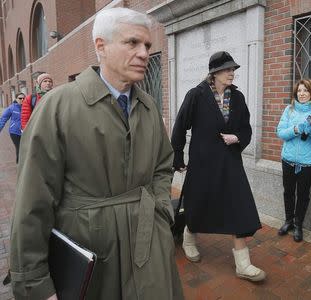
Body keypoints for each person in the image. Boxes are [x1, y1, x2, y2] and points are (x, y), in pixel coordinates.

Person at [9, 7, 183, 300]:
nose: (143, 53)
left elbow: (164, 166)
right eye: (132, 43)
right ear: (100, 46)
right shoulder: (57, 107)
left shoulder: (150, 107)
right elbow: (32, 202)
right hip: (91, 256)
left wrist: (160, 212)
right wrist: (36, 284)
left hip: (149, 247)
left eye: (148, 45)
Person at [171, 51, 266, 282]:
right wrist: (178, 157)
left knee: (239, 205)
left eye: (233, 69)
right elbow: (180, 126)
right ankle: (189, 238)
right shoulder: (196, 95)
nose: (232, 73)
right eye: (227, 69)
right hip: (203, 162)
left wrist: (238, 138)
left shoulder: (238, 97)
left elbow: (246, 128)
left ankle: (243, 264)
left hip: (230, 162)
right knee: (199, 202)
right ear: (214, 73)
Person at [276, 79, 311, 242]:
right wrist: (297, 129)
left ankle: (298, 224)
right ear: (295, 93)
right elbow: (281, 133)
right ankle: (288, 221)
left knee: (303, 195)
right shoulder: (289, 110)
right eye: (299, 91)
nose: (302, 93)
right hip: (288, 159)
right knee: (288, 192)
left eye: (305, 90)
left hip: (307, 162)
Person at [0, 93, 24, 163]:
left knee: (25, 148)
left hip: (25, 132)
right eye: (20, 98)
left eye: (23, 98)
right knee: (19, 148)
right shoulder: (11, 108)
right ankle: (19, 164)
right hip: (14, 132)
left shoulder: (27, 107)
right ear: (16, 99)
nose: (22, 99)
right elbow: (3, 119)